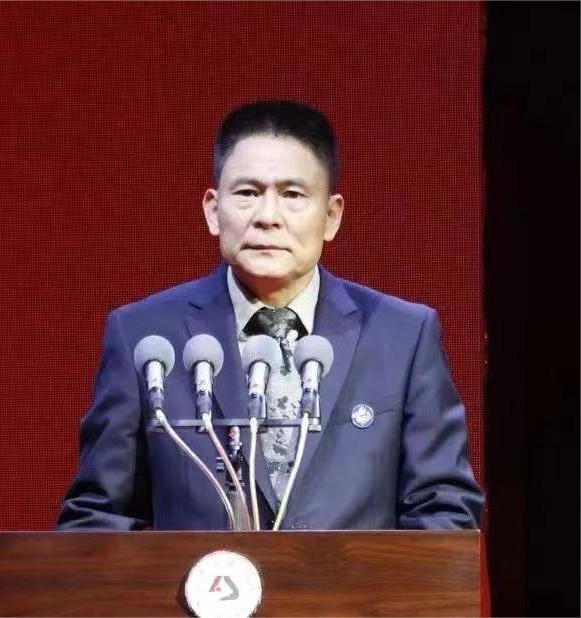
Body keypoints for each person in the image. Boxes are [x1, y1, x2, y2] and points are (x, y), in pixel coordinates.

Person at [57, 101, 484, 531]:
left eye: (293, 195)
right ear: (212, 210)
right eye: (247, 193)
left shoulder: (402, 336)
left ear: (331, 216)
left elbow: (445, 513)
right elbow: (98, 520)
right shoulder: (145, 337)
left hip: (357, 579)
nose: (267, 218)